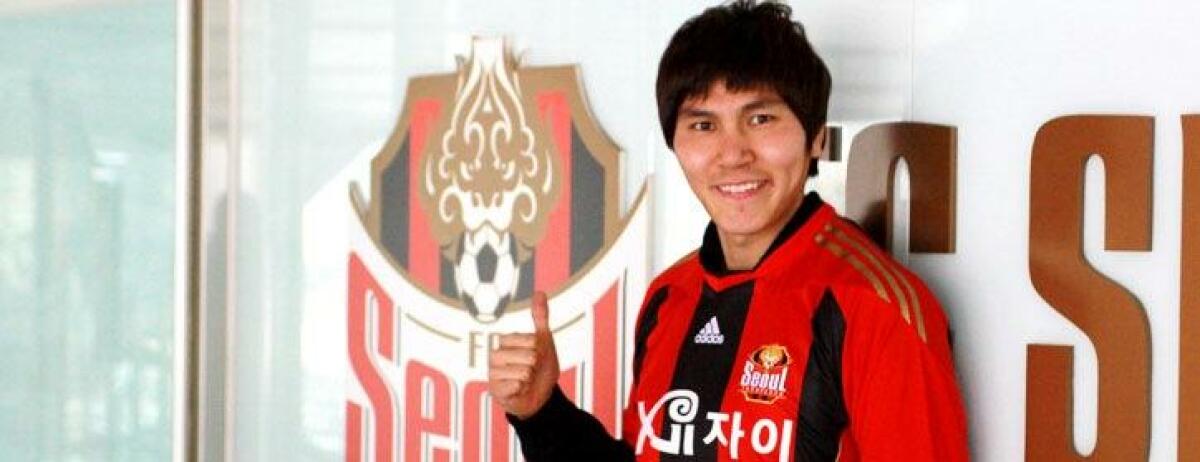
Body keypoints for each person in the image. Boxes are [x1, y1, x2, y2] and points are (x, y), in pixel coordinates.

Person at [487, 1, 968, 460]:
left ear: (816, 137)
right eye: (703, 125)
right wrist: (542, 414)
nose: (733, 153)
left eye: (760, 119)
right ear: (674, 143)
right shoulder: (668, 297)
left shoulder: (875, 307)